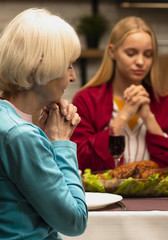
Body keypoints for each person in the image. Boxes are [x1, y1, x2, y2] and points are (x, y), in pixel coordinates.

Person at [0, 8, 87, 239]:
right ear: (41, 66)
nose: (73, 77)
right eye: (69, 65)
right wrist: (60, 143)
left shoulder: (9, 122)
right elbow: (75, 221)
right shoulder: (20, 135)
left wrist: (44, 138)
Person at [71, 16, 168, 171]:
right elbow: (79, 161)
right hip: (105, 195)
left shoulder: (166, 102)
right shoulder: (86, 100)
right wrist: (122, 117)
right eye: (131, 53)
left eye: (148, 54)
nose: (140, 61)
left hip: (155, 195)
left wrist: (149, 118)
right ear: (112, 52)